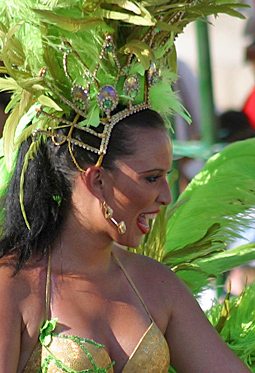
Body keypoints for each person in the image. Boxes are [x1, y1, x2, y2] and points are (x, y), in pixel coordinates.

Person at [0, 1, 251, 372]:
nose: (166, 196)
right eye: (151, 178)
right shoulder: (14, 288)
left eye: (167, 176)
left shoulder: (157, 286)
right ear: (97, 179)